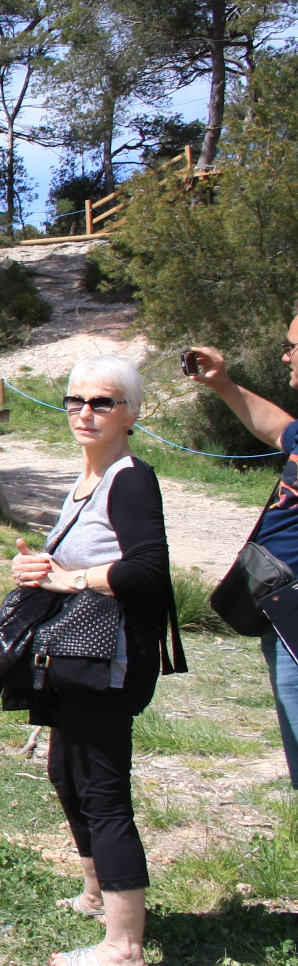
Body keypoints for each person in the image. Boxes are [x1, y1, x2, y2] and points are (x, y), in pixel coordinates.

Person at [8, 355, 179, 966]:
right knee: (67, 773)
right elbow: (77, 563)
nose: (85, 412)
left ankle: (124, 950)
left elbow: (148, 569)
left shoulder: (131, 479)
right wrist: (37, 569)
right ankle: (97, 893)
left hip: (108, 660)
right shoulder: (89, 477)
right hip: (76, 656)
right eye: (75, 400)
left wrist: (71, 579)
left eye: (102, 402)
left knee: (102, 792)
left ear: (131, 413)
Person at [188, 326, 298, 788]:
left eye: (292, 347)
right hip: (281, 609)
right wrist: (223, 385)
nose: (286, 357)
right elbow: (280, 430)